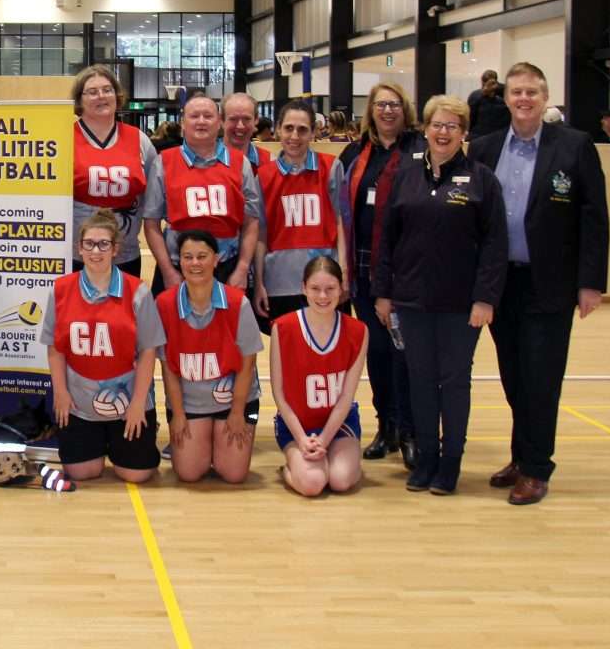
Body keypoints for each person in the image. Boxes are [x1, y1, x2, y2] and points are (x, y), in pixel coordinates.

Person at [468, 62, 609, 505]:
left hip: (550, 283)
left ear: (545, 98)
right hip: (501, 284)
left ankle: (536, 468)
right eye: (516, 92)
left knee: (541, 379)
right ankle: (521, 456)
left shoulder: (574, 146)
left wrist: (590, 283)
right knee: (514, 376)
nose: (524, 99)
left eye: (532, 92)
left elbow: (594, 218)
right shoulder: (485, 148)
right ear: (506, 98)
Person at [375, 95, 507, 495]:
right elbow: (387, 240)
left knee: (454, 382)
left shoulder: (482, 180)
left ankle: (450, 463)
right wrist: (384, 293)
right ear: (426, 130)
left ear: (464, 133)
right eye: (437, 125)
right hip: (411, 301)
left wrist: (485, 299)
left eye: (452, 126)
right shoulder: (406, 176)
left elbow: (495, 245)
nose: (443, 132)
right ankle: (427, 458)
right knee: (420, 380)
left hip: (460, 306)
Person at [41, 211, 164, 484]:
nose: (95, 251)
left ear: (115, 249)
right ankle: (101, 443)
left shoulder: (138, 291)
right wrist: (60, 392)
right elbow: (55, 347)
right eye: (89, 244)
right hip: (80, 402)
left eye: (103, 244)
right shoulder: (60, 289)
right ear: (79, 248)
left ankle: (127, 439)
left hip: (127, 400)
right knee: (81, 473)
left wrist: (138, 404)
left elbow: (148, 351)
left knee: (137, 475)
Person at [337, 83, 423, 467]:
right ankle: (386, 427)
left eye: (394, 104)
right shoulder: (355, 154)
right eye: (381, 104)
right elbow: (341, 212)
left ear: (405, 109)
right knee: (378, 352)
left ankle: (410, 430)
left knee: (405, 353)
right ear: (370, 110)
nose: (388, 111)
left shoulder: (420, 150)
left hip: (406, 272)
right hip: (364, 271)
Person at [156, 229, 263, 483]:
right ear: (180, 261)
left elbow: (247, 364)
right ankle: (207, 443)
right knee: (189, 473)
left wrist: (237, 412)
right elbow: (168, 368)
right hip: (190, 403)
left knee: (234, 474)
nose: (195, 263)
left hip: (233, 401)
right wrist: (178, 414)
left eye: (202, 256)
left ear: (216, 260)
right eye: (188, 257)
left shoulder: (238, 303)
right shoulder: (164, 304)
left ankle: (219, 443)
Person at [143, 95, 261, 295]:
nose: (201, 121)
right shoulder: (163, 162)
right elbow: (151, 223)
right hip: (177, 269)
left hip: (226, 268)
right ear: (183, 123)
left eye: (208, 116)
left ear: (219, 122)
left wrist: (242, 268)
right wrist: (167, 271)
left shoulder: (240, 163)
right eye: (194, 116)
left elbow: (251, 222)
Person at [270, 257, 369, 497]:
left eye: (330, 288)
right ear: (303, 288)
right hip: (297, 424)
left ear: (341, 288)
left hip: (339, 423)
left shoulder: (358, 331)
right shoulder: (283, 328)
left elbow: (346, 396)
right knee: (312, 484)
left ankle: (342, 460)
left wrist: (324, 440)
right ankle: (289, 468)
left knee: (340, 481)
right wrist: (302, 439)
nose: (323, 296)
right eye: (315, 288)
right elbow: (279, 395)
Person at [254, 99, 347, 323]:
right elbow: (260, 234)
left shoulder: (331, 168)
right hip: (279, 283)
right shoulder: (264, 176)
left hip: (325, 282)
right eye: (288, 128)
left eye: (302, 130)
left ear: (313, 132)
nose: (294, 136)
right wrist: (258, 282)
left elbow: (341, 223)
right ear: (278, 129)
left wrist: (343, 272)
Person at [70, 65, 156, 280]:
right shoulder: (64, 139)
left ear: (117, 95)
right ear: (79, 100)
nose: (101, 96)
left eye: (107, 90)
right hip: (77, 255)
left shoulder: (140, 140)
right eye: (92, 92)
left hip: (125, 254)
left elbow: (153, 199)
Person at [220, 93, 268, 170]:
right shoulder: (205, 161)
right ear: (222, 120)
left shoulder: (269, 162)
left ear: (256, 120)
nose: (240, 126)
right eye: (233, 119)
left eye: (247, 119)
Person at [468, 69, 509, 140]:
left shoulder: (475, 95)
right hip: (500, 137)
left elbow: (470, 119)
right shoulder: (506, 94)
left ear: (482, 82)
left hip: (478, 137)